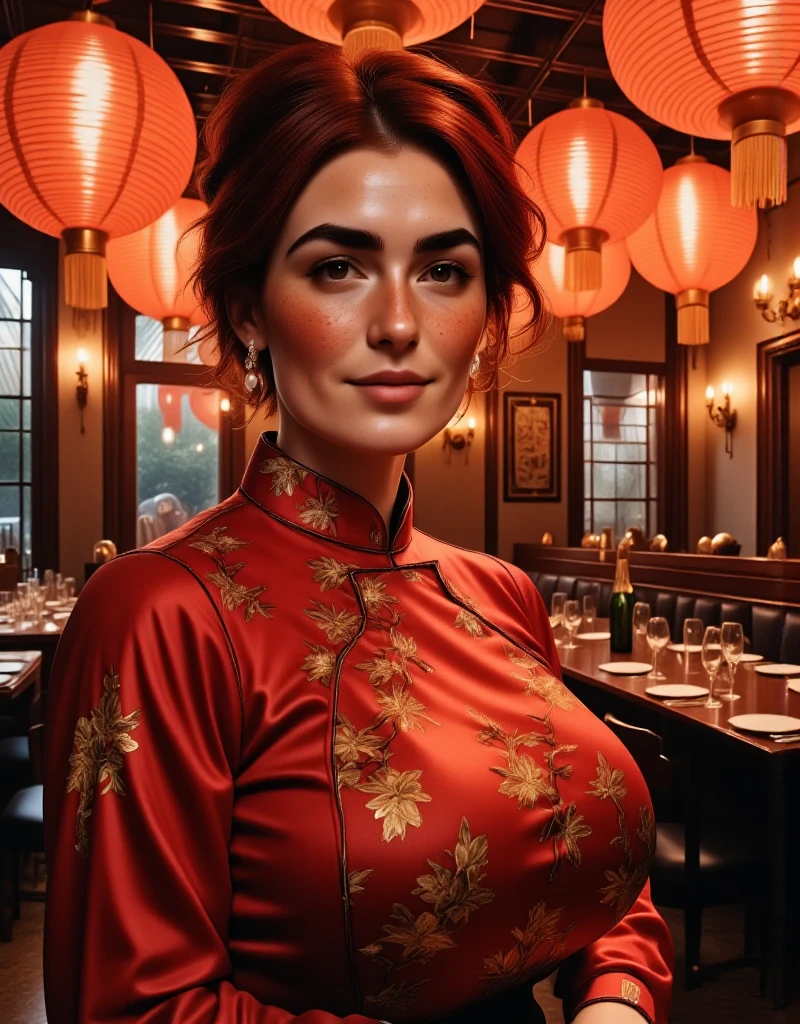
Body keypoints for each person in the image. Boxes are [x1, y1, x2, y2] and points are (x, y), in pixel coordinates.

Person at [43, 42, 673, 1024]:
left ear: (485, 315)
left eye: (442, 270)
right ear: (250, 308)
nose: (395, 321)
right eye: (337, 266)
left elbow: (598, 875)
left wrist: (617, 1001)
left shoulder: (499, 593)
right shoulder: (159, 612)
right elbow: (132, 1007)